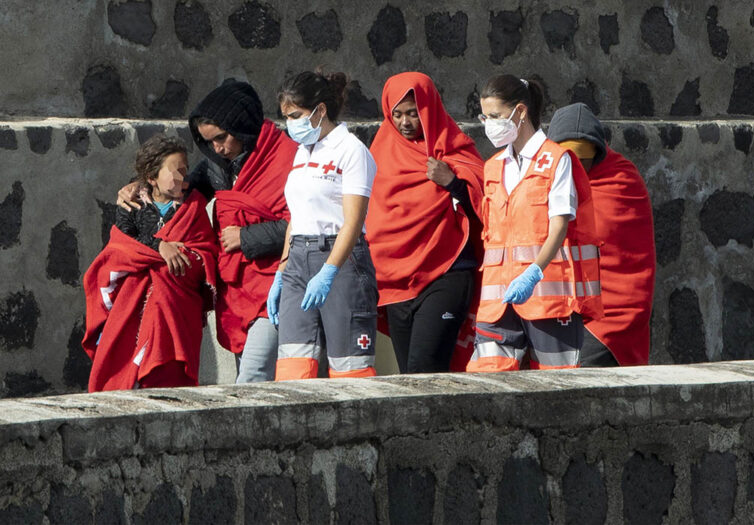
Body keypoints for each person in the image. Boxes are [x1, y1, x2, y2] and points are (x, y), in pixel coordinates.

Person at [117, 81, 296, 383]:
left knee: (252, 377)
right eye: (209, 142)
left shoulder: (287, 158)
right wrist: (139, 187)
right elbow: (179, 190)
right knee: (250, 376)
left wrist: (246, 237)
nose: (218, 148)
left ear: (242, 126)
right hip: (237, 289)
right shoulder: (218, 164)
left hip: (277, 283)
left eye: (223, 138)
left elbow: (304, 223)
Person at [466, 75, 603, 372]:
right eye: (484, 117)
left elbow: (559, 227)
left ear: (521, 111)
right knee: (487, 384)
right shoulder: (492, 167)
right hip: (497, 302)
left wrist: (533, 272)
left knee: (558, 390)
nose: (489, 124)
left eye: (496, 116)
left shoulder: (556, 160)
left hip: (549, 299)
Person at [366, 72, 484, 373]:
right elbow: (372, 215)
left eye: (413, 113)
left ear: (429, 108)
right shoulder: (378, 153)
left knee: (424, 370)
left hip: (446, 273)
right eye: (398, 114)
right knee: (409, 377)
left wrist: (453, 183)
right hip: (395, 281)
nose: (405, 122)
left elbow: (488, 207)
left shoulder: (454, 148)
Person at [83, 135, 218, 391]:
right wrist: (160, 248)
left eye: (185, 170)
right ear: (152, 177)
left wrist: (180, 259)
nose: (182, 177)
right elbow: (122, 245)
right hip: (133, 300)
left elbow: (205, 251)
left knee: (169, 384)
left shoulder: (193, 206)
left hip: (176, 304)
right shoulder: (131, 204)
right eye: (174, 171)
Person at [268, 70, 379, 380]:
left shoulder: (351, 150)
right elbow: (297, 216)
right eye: (286, 117)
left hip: (340, 258)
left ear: (320, 110)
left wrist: (329, 270)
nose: (290, 124)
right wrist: (281, 271)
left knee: (350, 369)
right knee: (293, 367)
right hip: (298, 258)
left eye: (295, 115)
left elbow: (354, 221)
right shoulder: (302, 152)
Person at [548, 103, 655, 366]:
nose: (578, 168)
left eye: (584, 160)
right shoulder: (548, 176)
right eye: (570, 160)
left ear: (598, 153)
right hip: (562, 311)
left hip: (614, 313)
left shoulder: (621, 180)